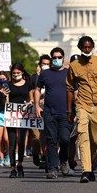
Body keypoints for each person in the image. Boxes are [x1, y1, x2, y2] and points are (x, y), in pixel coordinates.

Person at [66, 36, 97, 183]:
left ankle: (92, 165)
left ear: (92, 47)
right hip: (82, 104)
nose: (87, 50)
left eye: (89, 47)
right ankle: (86, 171)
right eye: (84, 47)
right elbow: (69, 87)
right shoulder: (74, 65)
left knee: (95, 140)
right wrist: (70, 110)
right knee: (83, 136)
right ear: (80, 48)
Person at [35, 47, 71, 179]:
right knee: (51, 141)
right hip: (49, 111)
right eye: (54, 57)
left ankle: (64, 161)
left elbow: (75, 91)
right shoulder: (45, 74)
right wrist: (37, 106)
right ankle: (52, 168)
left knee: (65, 140)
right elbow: (37, 89)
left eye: (59, 57)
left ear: (63, 58)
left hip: (65, 112)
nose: (57, 60)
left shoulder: (68, 73)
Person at [6, 63, 34, 178]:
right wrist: (4, 96)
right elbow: (6, 101)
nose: (16, 75)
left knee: (21, 141)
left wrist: (30, 103)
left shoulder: (28, 85)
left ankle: (20, 164)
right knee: (12, 142)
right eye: (14, 73)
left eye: (18, 73)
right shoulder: (7, 85)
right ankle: (13, 167)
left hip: (24, 116)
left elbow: (31, 98)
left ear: (22, 73)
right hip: (11, 116)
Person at [30, 55, 51, 169]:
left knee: (47, 135)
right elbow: (31, 91)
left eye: (48, 64)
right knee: (36, 137)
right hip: (36, 110)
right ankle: (36, 151)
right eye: (44, 64)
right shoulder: (34, 78)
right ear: (40, 65)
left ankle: (45, 156)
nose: (46, 66)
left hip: (49, 110)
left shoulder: (52, 76)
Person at [0, 72, 10, 167]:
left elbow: (8, 103)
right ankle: (1, 157)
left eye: (4, 79)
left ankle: (8, 155)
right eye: (0, 79)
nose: (2, 80)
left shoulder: (9, 89)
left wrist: (6, 95)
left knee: (6, 139)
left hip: (8, 115)